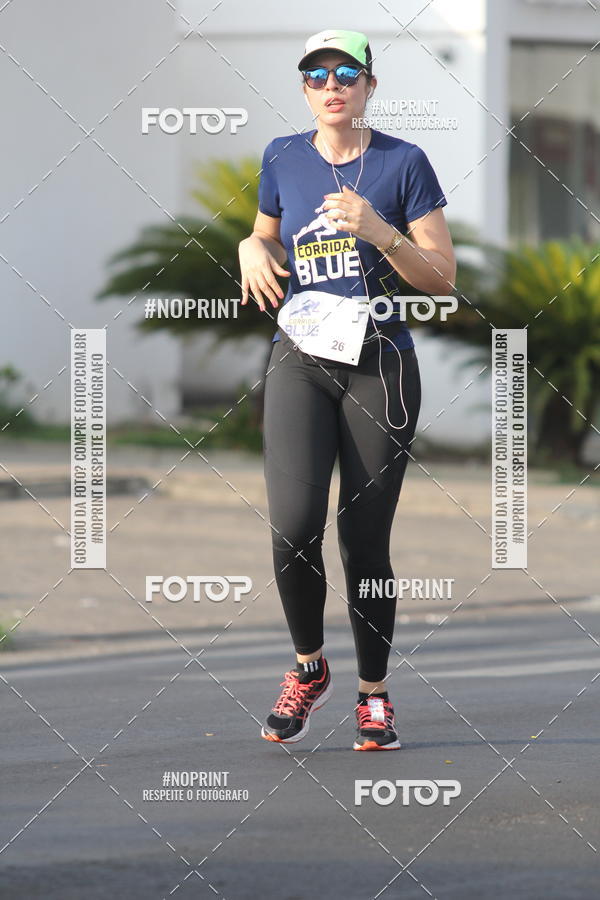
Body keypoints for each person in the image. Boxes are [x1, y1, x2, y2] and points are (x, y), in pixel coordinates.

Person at [238, 29, 456, 750]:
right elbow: (267, 235)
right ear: (305, 90)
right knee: (293, 530)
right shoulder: (282, 156)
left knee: (364, 542)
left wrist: (382, 232)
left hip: (380, 365)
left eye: (345, 73)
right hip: (300, 358)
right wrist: (249, 245)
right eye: (316, 75)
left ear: (368, 85)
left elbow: (443, 279)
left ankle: (373, 694)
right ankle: (308, 668)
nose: (331, 85)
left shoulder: (403, 162)